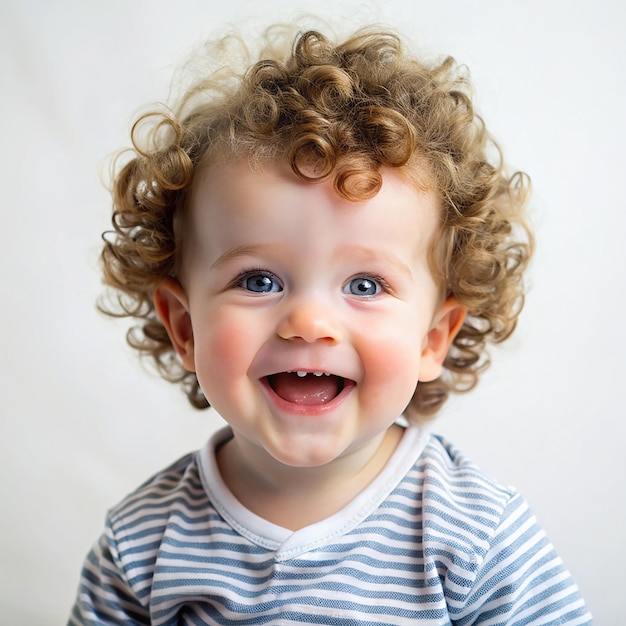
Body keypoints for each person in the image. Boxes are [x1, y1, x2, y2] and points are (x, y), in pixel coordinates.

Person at [68, 23, 591, 625]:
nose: (309, 322)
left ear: (432, 338)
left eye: (365, 286)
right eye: (259, 281)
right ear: (185, 327)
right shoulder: (142, 545)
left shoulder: (476, 538)